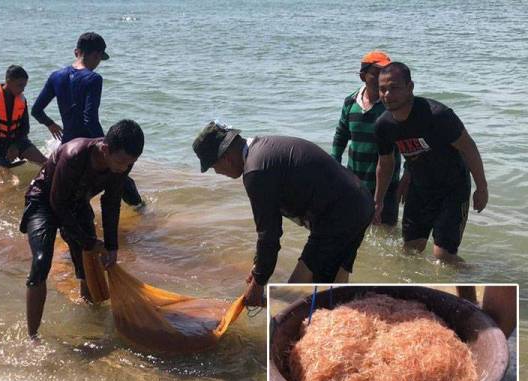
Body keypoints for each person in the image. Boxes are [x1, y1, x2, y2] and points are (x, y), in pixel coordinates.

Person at [192, 122, 374, 307]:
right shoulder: (263, 149)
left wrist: (257, 284)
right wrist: (258, 268)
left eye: (214, 167)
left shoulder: (255, 172)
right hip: (361, 202)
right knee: (335, 282)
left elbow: (269, 236)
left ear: (226, 158)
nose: (218, 172)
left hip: (339, 214)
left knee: (295, 294)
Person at [20, 119, 144, 338]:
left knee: (87, 265)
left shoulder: (123, 162)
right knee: (41, 262)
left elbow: (111, 202)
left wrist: (111, 246)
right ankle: (32, 337)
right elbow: (58, 203)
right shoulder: (73, 154)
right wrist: (90, 242)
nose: (124, 169)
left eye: (130, 164)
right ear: (105, 149)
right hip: (44, 203)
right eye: (122, 162)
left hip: (77, 205)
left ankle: (91, 321)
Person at [374, 62, 488, 262]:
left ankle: (472, 277)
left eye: (394, 88)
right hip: (419, 189)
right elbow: (385, 163)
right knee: (410, 252)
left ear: (410, 88)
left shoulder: (438, 116)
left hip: (453, 189)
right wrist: (378, 201)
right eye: (382, 89)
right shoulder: (384, 125)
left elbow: (468, 147)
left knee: (443, 256)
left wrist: (482, 187)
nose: (387, 95)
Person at [31, 32, 143, 207]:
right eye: (99, 58)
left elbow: (36, 110)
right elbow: (89, 119)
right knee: (123, 184)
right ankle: (142, 214)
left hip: (67, 149)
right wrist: (107, 145)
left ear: (77, 52)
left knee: (64, 196)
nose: (98, 63)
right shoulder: (93, 79)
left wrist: (50, 124)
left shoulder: (56, 76)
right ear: (96, 55)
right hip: (87, 147)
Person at [331, 50, 402, 225]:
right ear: (363, 76)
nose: (381, 78)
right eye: (377, 73)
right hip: (355, 182)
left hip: (388, 186)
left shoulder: (393, 107)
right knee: (354, 228)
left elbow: (409, 142)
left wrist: (408, 175)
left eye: (385, 73)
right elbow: (341, 135)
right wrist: (333, 166)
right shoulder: (350, 102)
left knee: (386, 232)